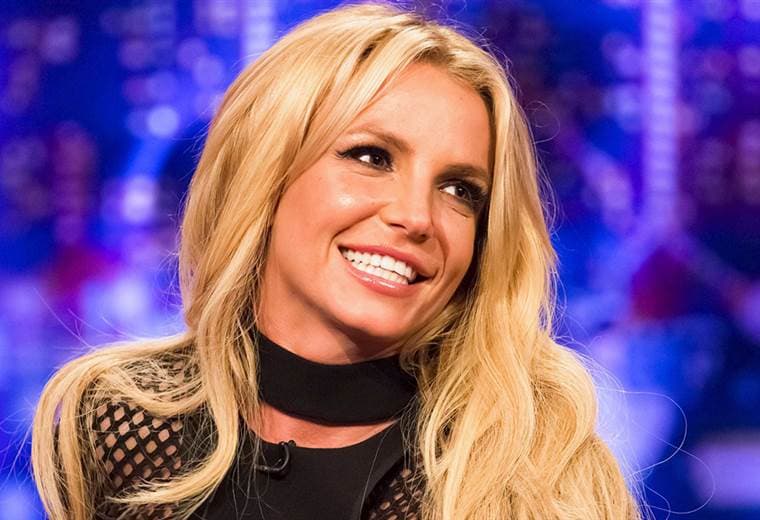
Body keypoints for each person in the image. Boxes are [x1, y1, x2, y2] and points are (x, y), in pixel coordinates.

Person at [32, 2, 643, 519]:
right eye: (372, 157)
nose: (417, 217)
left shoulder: (539, 481)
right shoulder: (118, 421)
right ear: (266, 174)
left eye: (460, 190)